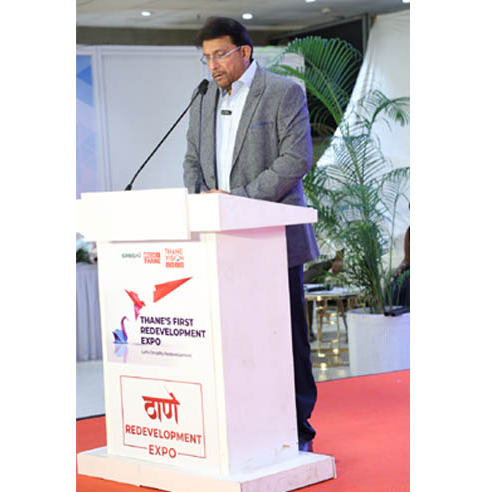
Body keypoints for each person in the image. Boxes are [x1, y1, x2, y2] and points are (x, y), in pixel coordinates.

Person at [183, 16, 319, 452]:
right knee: (235, 340)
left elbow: (295, 159)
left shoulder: (282, 93)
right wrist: (204, 202)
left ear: (244, 51)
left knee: (287, 338)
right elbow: (192, 159)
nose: (213, 65)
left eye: (220, 54)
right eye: (206, 57)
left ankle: (298, 428)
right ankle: (244, 425)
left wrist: (236, 201)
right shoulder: (203, 98)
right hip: (221, 243)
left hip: (272, 239)